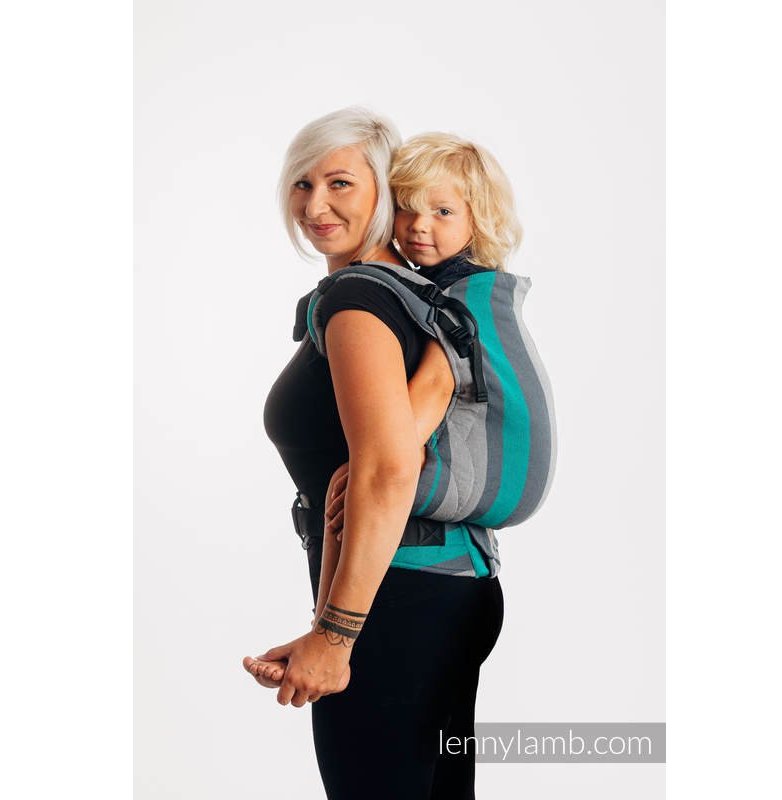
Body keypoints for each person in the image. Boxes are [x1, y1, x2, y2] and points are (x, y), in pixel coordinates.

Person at [242, 110, 509, 799]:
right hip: (450, 588)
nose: (315, 206)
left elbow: (390, 469)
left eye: (340, 183)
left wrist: (334, 638)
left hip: (398, 599)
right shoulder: (417, 296)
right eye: (301, 183)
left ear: (385, 191)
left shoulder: (360, 300)